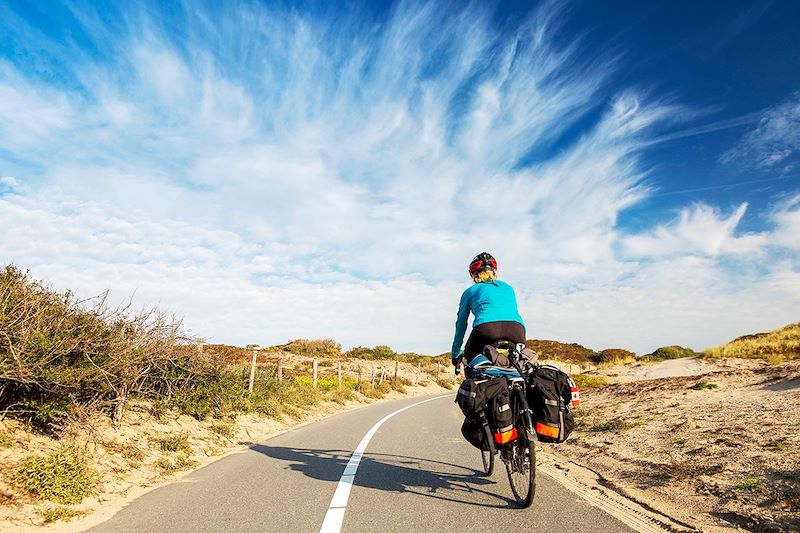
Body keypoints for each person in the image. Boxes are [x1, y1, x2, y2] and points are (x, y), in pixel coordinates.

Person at [451, 252, 526, 371]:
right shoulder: (508, 288)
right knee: (519, 366)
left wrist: (455, 354)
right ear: (494, 272)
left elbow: (461, 323)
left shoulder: (470, 291)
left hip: (486, 328)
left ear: (474, 275)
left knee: (472, 362)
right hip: (517, 330)